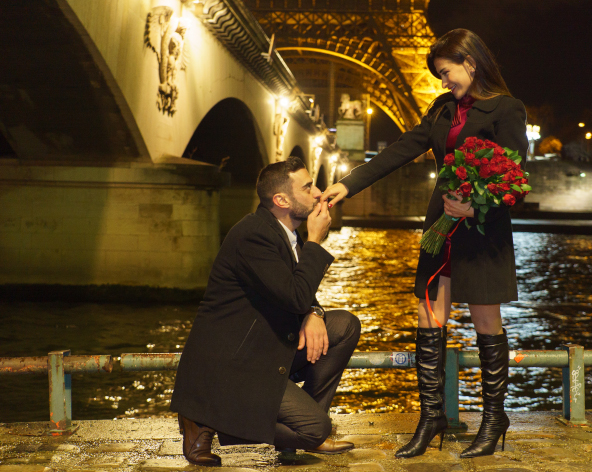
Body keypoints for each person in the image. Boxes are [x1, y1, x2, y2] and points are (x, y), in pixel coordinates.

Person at [322, 29, 529, 459]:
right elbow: (400, 150)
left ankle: (494, 419)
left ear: (470, 62)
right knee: (427, 315)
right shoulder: (442, 109)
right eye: (438, 75)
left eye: (446, 72)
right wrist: (347, 185)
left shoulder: (507, 109)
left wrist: (475, 207)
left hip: (480, 228)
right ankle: (431, 415)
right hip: (440, 222)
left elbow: (516, 179)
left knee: (485, 322)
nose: (443, 81)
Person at [171, 157, 361, 466]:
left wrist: (315, 312)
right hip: (235, 365)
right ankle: (219, 422)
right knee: (315, 429)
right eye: (308, 187)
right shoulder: (253, 235)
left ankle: (308, 425)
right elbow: (295, 294)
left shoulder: (286, 235)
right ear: (282, 200)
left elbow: (298, 295)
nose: (318, 193)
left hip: (264, 350)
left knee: (344, 326)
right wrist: (316, 239)